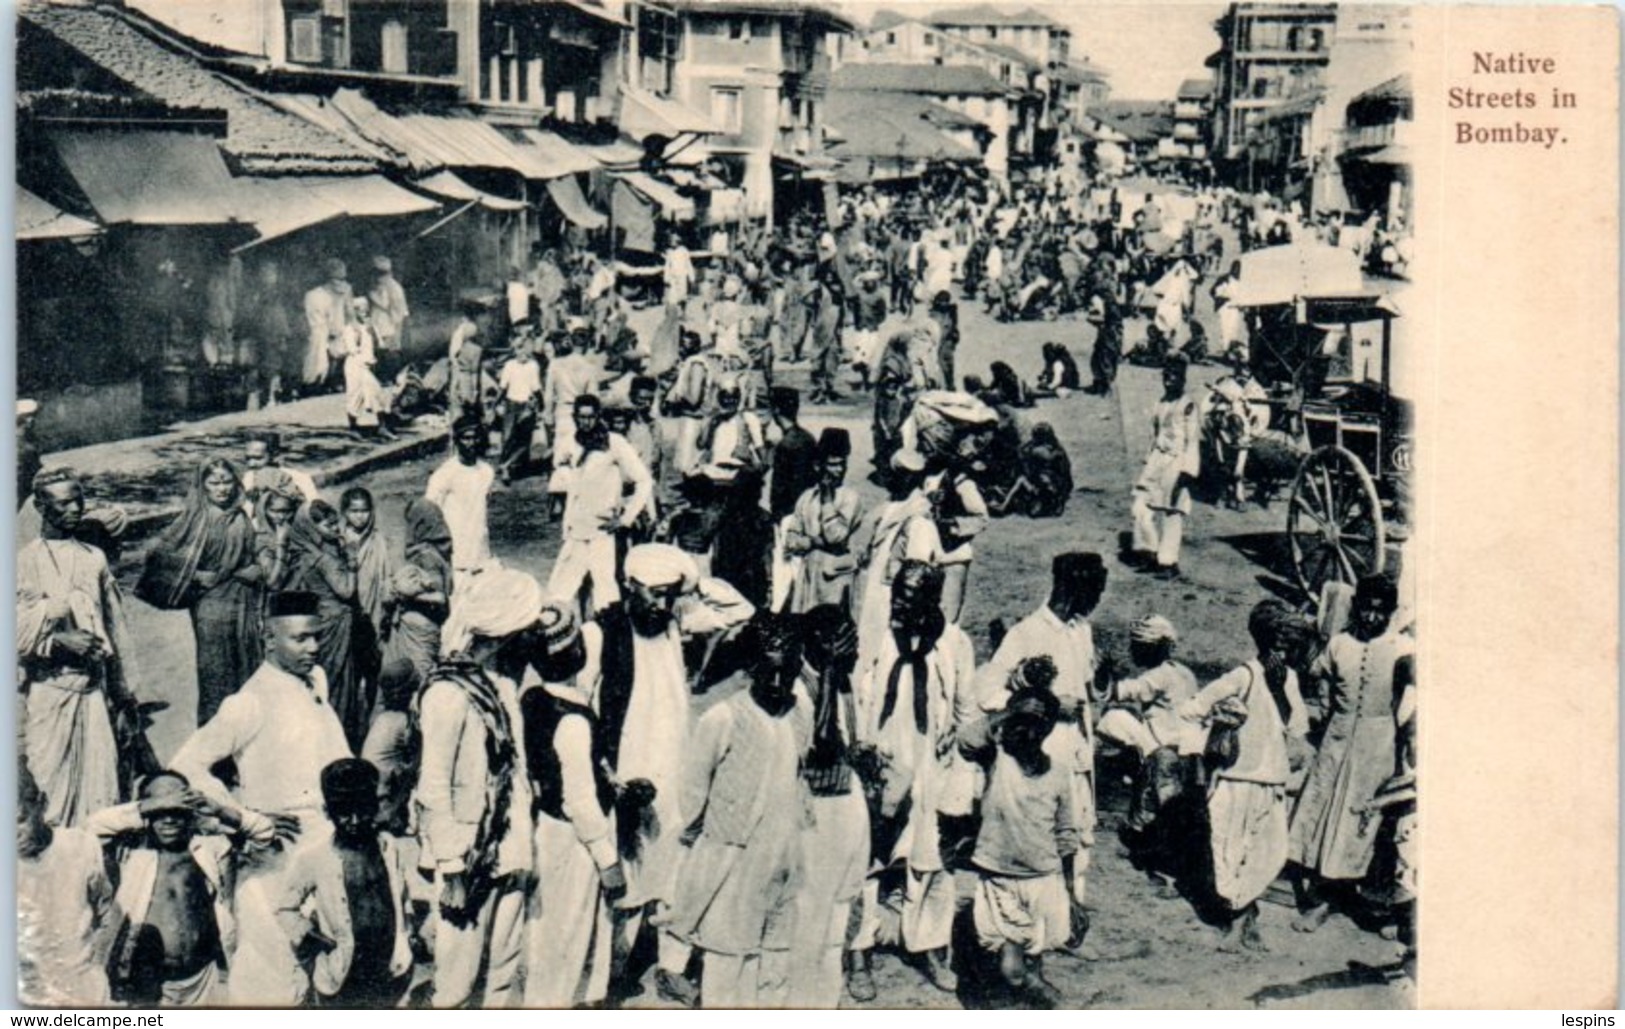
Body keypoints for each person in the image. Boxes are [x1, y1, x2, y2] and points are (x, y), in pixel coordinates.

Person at [170, 590, 350, 1005]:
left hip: (327, 844)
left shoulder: (315, 680)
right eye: (300, 639)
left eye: (316, 637)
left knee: (327, 973)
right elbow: (185, 768)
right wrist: (243, 816)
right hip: (278, 856)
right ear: (269, 639)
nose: (314, 648)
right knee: (272, 977)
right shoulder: (248, 702)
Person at [593, 544, 755, 1006]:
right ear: (629, 585)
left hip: (675, 768)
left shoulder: (674, 624)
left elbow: (740, 610)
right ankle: (612, 973)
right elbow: (585, 708)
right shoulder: (601, 632)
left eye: (669, 595)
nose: (662, 604)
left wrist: (694, 583)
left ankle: (671, 967)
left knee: (677, 873)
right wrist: (607, 774)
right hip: (627, 775)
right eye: (654, 593)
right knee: (625, 875)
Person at [661, 613, 806, 1008]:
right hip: (734, 858)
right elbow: (693, 787)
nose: (778, 684)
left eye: (787, 674)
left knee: (775, 956)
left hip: (784, 857)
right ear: (751, 669)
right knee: (728, 958)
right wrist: (707, 832)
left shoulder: (800, 712)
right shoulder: (723, 717)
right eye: (769, 674)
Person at [417, 569, 541, 1009]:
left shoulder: (503, 686)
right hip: (469, 858)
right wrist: (451, 871)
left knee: (503, 970)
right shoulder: (448, 695)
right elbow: (432, 789)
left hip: (509, 850)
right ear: (504, 635)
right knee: (456, 977)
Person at [852, 561, 977, 993]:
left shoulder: (955, 644)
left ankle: (930, 949)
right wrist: (864, 756)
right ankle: (858, 954)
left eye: (909, 596)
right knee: (867, 859)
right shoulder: (877, 636)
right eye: (896, 592)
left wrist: (959, 777)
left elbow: (966, 713)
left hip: (931, 769)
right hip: (882, 765)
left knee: (933, 862)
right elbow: (856, 695)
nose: (898, 602)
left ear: (932, 599)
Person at [975, 552, 1107, 922]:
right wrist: (1042, 704)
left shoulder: (1081, 631)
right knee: (1043, 832)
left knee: (1077, 829)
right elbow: (987, 691)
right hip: (1042, 755)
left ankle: (1071, 908)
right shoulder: (1027, 634)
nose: (1095, 602)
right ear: (1069, 589)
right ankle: (1044, 913)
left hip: (1077, 750)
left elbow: (1088, 689)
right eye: (1093, 593)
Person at [1179, 599, 1312, 952]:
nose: (1281, 650)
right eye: (1276, 642)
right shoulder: (1243, 675)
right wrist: (1219, 726)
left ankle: (1244, 916)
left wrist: (1282, 688)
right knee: (1227, 853)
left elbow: (1297, 726)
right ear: (1263, 639)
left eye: (1287, 643)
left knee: (1266, 853)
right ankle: (1239, 922)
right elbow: (1191, 709)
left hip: (1271, 780)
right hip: (1235, 778)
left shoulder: (1289, 679)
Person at [1289, 574, 1414, 932]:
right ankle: (1322, 897)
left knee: (1363, 820)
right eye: (1366, 609)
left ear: (1390, 613)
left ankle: (1369, 902)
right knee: (1324, 812)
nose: (1371, 618)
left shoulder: (1402, 649)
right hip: (1337, 738)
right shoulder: (1340, 644)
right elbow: (1316, 674)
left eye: (1380, 612)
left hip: (1379, 744)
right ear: (1356, 606)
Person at [520, 604, 625, 1009]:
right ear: (578, 654)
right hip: (574, 838)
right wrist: (606, 858)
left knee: (546, 932)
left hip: (545, 827)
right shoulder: (575, 720)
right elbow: (579, 798)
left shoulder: (532, 698)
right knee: (568, 935)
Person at [18, 468, 136, 827]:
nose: (74, 509)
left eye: (78, 500)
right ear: (40, 506)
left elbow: (116, 630)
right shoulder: (23, 561)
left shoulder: (93, 558)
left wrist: (124, 696)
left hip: (94, 693)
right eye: (63, 502)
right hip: (49, 693)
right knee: (49, 792)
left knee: (103, 792)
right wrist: (57, 642)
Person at [958, 687, 1079, 1007]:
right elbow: (967, 740)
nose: (1028, 728)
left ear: (1050, 727)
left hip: (1043, 877)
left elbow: (1066, 834)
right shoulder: (997, 759)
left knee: (1034, 955)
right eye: (1022, 720)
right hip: (1000, 877)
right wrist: (1011, 712)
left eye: (1038, 721)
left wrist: (1071, 894)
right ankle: (1045, 1000)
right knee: (1012, 970)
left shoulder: (1059, 772)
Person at [274, 758, 413, 1008]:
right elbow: (285, 909)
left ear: (374, 805)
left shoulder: (389, 847)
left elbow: (400, 897)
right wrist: (311, 938)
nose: (356, 820)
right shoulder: (313, 857)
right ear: (328, 811)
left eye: (363, 810)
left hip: (389, 967)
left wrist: (408, 932)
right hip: (342, 973)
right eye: (345, 813)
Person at [787, 604, 872, 1007]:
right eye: (846, 641)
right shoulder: (797, 687)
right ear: (822, 643)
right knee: (810, 910)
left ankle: (827, 995)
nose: (854, 648)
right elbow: (819, 748)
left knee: (841, 902)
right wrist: (834, 671)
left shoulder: (843, 680)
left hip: (847, 801)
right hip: (814, 810)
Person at [146, 458, 266, 726]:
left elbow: (251, 554)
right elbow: (161, 558)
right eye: (214, 483)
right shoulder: (196, 519)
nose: (222, 489)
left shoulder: (240, 516)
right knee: (217, 675)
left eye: (227, 481)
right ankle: (215, 746)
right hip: (212, 608)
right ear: (202, 486)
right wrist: (195, 574)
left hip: (244, 602)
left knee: (249, 669)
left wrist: (256, 569)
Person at [17, 765, 116, 1007]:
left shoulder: (81, 846)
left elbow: (107, 911)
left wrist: (96, 965)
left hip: (85, 991)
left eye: (19, 820)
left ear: (42, 804)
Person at [548, 394, 654, 617]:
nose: (585, 422)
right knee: (561, 593)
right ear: (575, 417)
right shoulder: (570, 441)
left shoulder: (614, 442)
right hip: (576, 530)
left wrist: (625, 519)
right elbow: (561, 474)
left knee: (605, 593)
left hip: (602, 532)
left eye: (590, 417)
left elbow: (643, 480)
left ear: (598, 417)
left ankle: (608, 643)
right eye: (580, 417)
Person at [283, 501, 372, 751]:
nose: (335, 528)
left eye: (335, 522)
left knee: (329, 678)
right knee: (340, 682)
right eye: (328, 524)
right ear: (312, 527)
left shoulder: (304, 551)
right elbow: (345, 590)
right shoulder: (323, 559)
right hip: (336, 623)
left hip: (321, 619)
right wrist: (353, 561)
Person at [1130, 355, 1202, 579]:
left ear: (1182, 378)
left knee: (1173, 513)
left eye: (1173, 377)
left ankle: (1168, 562)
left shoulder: (1188, 405)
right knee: (1141, 506)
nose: (1168, 381)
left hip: (1177, 461)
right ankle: (1149, 551)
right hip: (1156, 460)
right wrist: (1148, 459)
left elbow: (1192, 441)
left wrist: (1187, 472)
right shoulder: (1160, 403)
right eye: (1165, 376)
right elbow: (1154, 434)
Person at [783, 429, 863, 614]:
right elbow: (791, 536)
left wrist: (827, 502)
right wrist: (802, 542)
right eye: (833, 465)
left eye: (842, 464)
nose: (840, 470)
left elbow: (835, 536)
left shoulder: (850, 498)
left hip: (836, 577)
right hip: (809, 576)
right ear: (818, 466)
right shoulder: (807, 497)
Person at [425, 413, 498, 591]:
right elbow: (429, 511)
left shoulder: (486, 472)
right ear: (457, 440)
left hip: (480, 549)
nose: (471, 443)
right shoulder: (445, 474)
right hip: (455, 551)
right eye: (466, 438)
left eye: (475, 438)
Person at [385, 498, 453, 680]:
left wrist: (404, 594)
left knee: (417, 678)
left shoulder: (426, 555)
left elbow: (439, 597)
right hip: (427, 626)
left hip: (419, 628)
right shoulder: (440, 551)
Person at [543, 326, 603, 507]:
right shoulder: (588, 366)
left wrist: (548, 417)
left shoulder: (555, 364)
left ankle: (560, 498)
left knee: (561, 454)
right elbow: (594, 397)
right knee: (582, 452)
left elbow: (548, 395)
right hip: (584, 414)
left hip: (563, 412)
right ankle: (580, 495)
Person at [1205, 355, 1271, 509]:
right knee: (1221, 459)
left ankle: (1238, 495)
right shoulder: (1226, 383)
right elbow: (1211, 403)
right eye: (1240, 366)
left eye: (1247, 366)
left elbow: (1260, 410)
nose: (1243, 370)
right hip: (1224, 427)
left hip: (1245, 428)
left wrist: (1249, 412)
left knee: (1238, 467)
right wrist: (1219, 402)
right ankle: (1224, 492)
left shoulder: (1255, 388)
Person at [342, 296, 395, 441]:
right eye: (360, 309)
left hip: (367, 366)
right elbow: (352, 350)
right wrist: (367, 360)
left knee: (376, 393)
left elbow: (381, 345)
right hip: (355, 366)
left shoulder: (372, 327)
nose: (364, 311)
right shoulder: (350, 329)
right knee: (355, 396)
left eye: (365, 308)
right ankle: (353, 428)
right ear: (354, 311)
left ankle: (382, 427)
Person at [497, 332, 544, 485]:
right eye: (518, 348)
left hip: (527, 406)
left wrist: (541, 405)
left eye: (525, 349)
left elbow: (536, 388)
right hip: (511, 404)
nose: (522, 352)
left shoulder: (533, 366)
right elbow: (503, 387)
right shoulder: (509, 365)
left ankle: (507, 466)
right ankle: (507, 465)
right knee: (508, 437)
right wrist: (495, 404)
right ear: (514, 350)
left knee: (524, 440)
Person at [767, 386, 818, 523]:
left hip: (790, 514)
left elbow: (779, 490)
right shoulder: (808, 437)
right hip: (809, 508)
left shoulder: (785, 445)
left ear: (776, 410)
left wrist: (777, 516)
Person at [303, 259, 351, 394]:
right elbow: (316, 321)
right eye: (336, 280)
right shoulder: (314, 296)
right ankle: (314, 384)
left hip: (338, 330)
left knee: (341, 350)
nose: (340, 285)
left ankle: (334, 380)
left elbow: (349, 313)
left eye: (342, 280)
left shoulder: (345, 291)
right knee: (317, 356)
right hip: (319, 331)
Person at [241, 431, 321, 509]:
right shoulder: (248, 477)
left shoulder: (299, 478)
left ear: (275, 455)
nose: (251, 464)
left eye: (258, 458)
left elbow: (313, 511)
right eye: (247, 458)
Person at [368, 256, 411, 380]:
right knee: (382, 349)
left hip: (388, 322)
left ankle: (391, 375)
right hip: (381, 322)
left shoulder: (392, 287)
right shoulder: (384, 286)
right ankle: (385, 375)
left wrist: (373, 296)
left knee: (390, 350)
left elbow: (390, 306)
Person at [1084, 292, 1124, 395]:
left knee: (1103, 359)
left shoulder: (1100, 301)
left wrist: (1090, 318)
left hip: (1108, 336)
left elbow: (1101, 319)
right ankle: (1103, 384)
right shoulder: (1112, 305)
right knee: (1103, 359)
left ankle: (1104, 385)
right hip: (1110, 336)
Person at [927, 290, 961, 390]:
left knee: (947, 367)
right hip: (940, 344)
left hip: (946, 344)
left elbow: (953, 327)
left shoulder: (950, 312)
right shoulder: (935, 314)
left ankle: (949, 386)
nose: (942, 304)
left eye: (944, 301)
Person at [17, 398, 42, 509]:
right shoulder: (23, 447)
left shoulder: (27, 441)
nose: (31, 420)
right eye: (26, 417)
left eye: (32, 416)